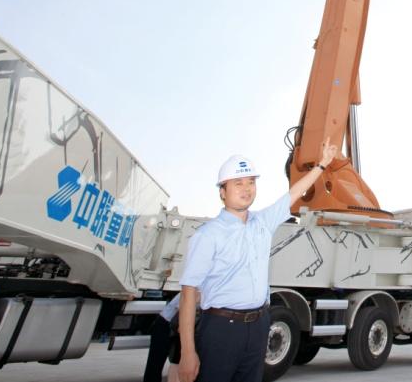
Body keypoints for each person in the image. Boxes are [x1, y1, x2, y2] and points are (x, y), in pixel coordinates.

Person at [177, 139, 337, 382]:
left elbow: (294, 193)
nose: (246, 188)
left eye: (251, 182)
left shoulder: (262, 222)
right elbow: (189, 293)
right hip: (221, 329)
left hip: (259, 325)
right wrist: (188, 352)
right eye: (238, 183)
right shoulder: (208, 235)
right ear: (222, 192)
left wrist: (322, 164)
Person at [143, 292, 180, 382]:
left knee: (176, 363)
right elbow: (182, 312)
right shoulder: (194, 287)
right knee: (155, 364)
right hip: (165, 324)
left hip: (173, 326)